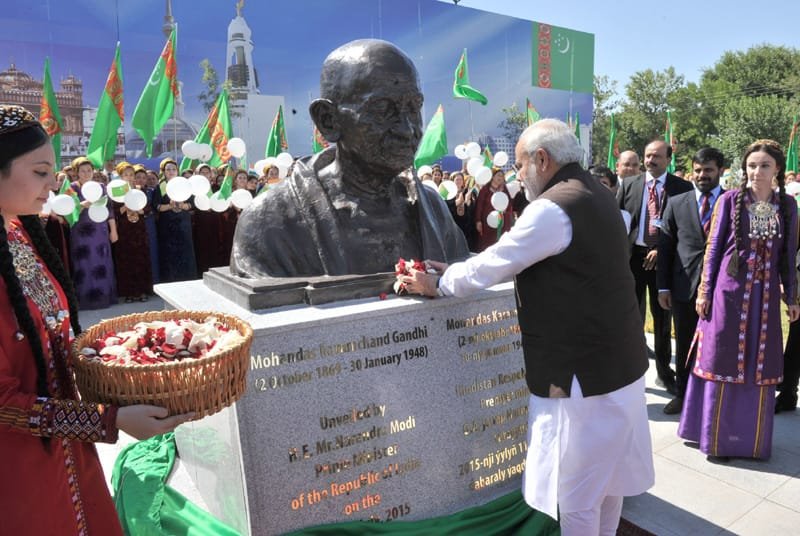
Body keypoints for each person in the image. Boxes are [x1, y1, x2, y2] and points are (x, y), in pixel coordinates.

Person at [401, 119, 653, 536]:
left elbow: (498, 261)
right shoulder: (598, 194)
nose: (518, 175)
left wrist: (438, 284)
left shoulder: (553, 207)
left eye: (520, 165)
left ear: (542, 159)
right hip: (619, 365)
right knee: (609, 483)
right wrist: (455, 270)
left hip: (580, 377)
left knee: (576, 495)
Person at [0, 105, 193, 535]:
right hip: (18, 471)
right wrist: (107, 420)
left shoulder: (19, 233)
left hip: (67, 449)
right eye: (40, 172)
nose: (54, 183)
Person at [231, 39, 468, 277]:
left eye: (414, 108)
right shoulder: (271, 223)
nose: (407, 129)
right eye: (383, 109)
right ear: (328, 120)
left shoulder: (432, 210)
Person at [678, 140, 799, 461]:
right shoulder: (730, 200)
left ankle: (750, 443)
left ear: (777, 170)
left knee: (758, 365)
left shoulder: (787, 206)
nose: (757, 171)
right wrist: (705, 292)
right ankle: (716, 440)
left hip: (765, 300)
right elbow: (713, 249)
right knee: (721, 359)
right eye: (751, 166)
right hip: (727, 296)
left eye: (764, 166)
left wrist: (792, 296)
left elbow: (788, 256)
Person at [618, 140, 693, 394]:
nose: (650, 160)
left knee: (662, 320)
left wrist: (661, 250)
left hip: (665, 261)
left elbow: (686, 228)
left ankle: (664, 373)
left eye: (657, 156)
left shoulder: (682, 188)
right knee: (631, 318)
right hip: (634, 260)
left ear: (668, 159)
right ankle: (631, 373)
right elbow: (618, 221)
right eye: (648, 156)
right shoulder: (629, 184)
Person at [657, 148, 725, 415]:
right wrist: (663, 286)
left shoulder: (731, 202)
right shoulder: (677, 202)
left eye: (708, 170)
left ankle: (713, 400)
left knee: (717, 346)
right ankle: (683, 395)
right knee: (685, 343)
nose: (702, 175)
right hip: (684, 287)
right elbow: (666, 248)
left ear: (720, 170)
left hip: (721, 288)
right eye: (697, 170)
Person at [69, 156, 118, 309]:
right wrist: (82, 205)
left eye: (89, 170)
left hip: (100, 231)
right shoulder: (71, 188)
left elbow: (109, 210)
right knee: (84, 263)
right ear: (76, 172)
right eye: (82, 171)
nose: (86, 173)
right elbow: (68, 211)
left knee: (101, 262)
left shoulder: (101, 187)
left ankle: (105, 297)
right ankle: (86, 299)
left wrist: (113, 231)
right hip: (80, 232)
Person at [111, 161, 153, 302]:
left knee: (140, 259)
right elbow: (114, 211)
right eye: (126, 174)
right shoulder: (116, 191)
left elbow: (147, 208)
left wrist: (139, 209)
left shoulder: (140, 190)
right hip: (124, 230)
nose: (129, 177)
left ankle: (142, 291)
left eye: (131, 174)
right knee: (126, 260)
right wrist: (125, 206)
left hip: (139, 229)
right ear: (121, 176)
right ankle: (129, 292)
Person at [153, 158, 197, 282]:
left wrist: (184, 206)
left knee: (186, 251)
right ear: (164, 172)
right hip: (167, 224)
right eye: (168, 169)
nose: (171, 171)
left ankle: (188, 278)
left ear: (177, 171)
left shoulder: (185, 185)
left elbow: (193, 203)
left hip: (183, 223)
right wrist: (169, 206)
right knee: (169, 253)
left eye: (173, 169)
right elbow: (156, 206)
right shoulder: (160, 187)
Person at [474, 168, 514, 252]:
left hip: (502, 221)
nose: (500, 177)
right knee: (487, 245)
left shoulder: (504, 189)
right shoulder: (485, 189)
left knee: (500, 243)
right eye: (498, 175)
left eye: (502, 176)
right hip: (487, 222)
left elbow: (509, 204)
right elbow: (479, 206)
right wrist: (478, 221)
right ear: (492, 177)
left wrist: (507, 213)